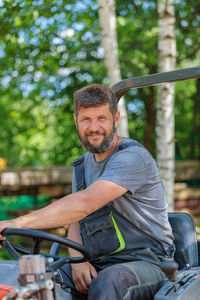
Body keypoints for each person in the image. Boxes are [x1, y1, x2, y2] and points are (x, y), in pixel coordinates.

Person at [0, 84, 175, 300]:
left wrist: (15, 224)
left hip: (147, 262)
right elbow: (77, 218)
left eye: (101, 118)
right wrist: (78, 260)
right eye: (86, 119)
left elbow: (85, 203)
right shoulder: (82, 166)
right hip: (96, 261)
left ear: (116, 118)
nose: (94, 127)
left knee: (110, 280)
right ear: (76, 121)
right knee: (29, 279)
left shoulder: (132, 158)